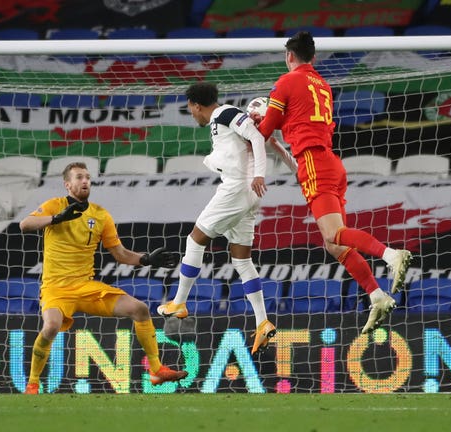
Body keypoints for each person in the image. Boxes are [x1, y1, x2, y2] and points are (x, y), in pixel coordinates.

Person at [255, 31, 412, 334]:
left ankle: (392, 254)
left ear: (289, 56)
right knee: (333, 243)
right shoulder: (323, 85)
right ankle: (377, 296)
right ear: (312, 57)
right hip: (331, 162)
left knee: (333, 233)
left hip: (314, 161)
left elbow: (265, 130)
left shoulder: (286, 82)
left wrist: (250, 124)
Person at [19, 161, 187, 394]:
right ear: (68, 184)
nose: (85, 180)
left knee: (139, 309)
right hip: (56, 289)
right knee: (51, 327)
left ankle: (156, 370)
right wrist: (56, 218)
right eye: (79, 177)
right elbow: (25, 225)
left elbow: (119, 253)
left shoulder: (99, 214)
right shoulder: (53, 206)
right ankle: (33, 383)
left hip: (86, 287)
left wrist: (146, 259)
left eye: (87, 177)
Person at [157, 82, 278, 355]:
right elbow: (256, 141)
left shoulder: (225, 113)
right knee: (242, 260)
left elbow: (257, 138)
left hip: (237, 187)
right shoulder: (221, 121)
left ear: (197, 106)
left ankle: (178, 301)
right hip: (247, 194)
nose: (192, 115)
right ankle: (262, 321)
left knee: (195, 240)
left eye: (191, 110)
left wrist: (259, 174)